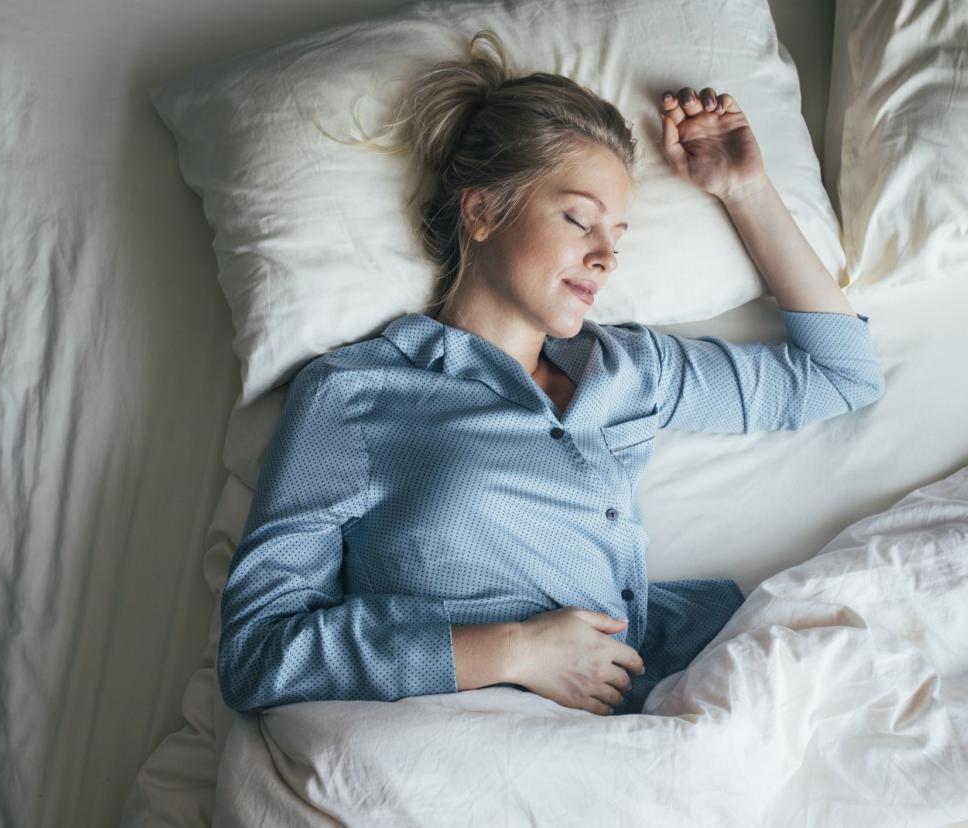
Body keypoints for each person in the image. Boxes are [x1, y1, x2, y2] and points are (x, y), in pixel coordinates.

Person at [216, 30, 884, 718]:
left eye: (617, 237)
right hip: (465, 736)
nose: (605, 257)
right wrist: (513, 650)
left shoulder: (629, 371)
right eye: (578, 220)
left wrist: (745, 191)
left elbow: (843, 376)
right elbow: (258, 652)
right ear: (482, 211)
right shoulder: (355, 393)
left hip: (659, 705)